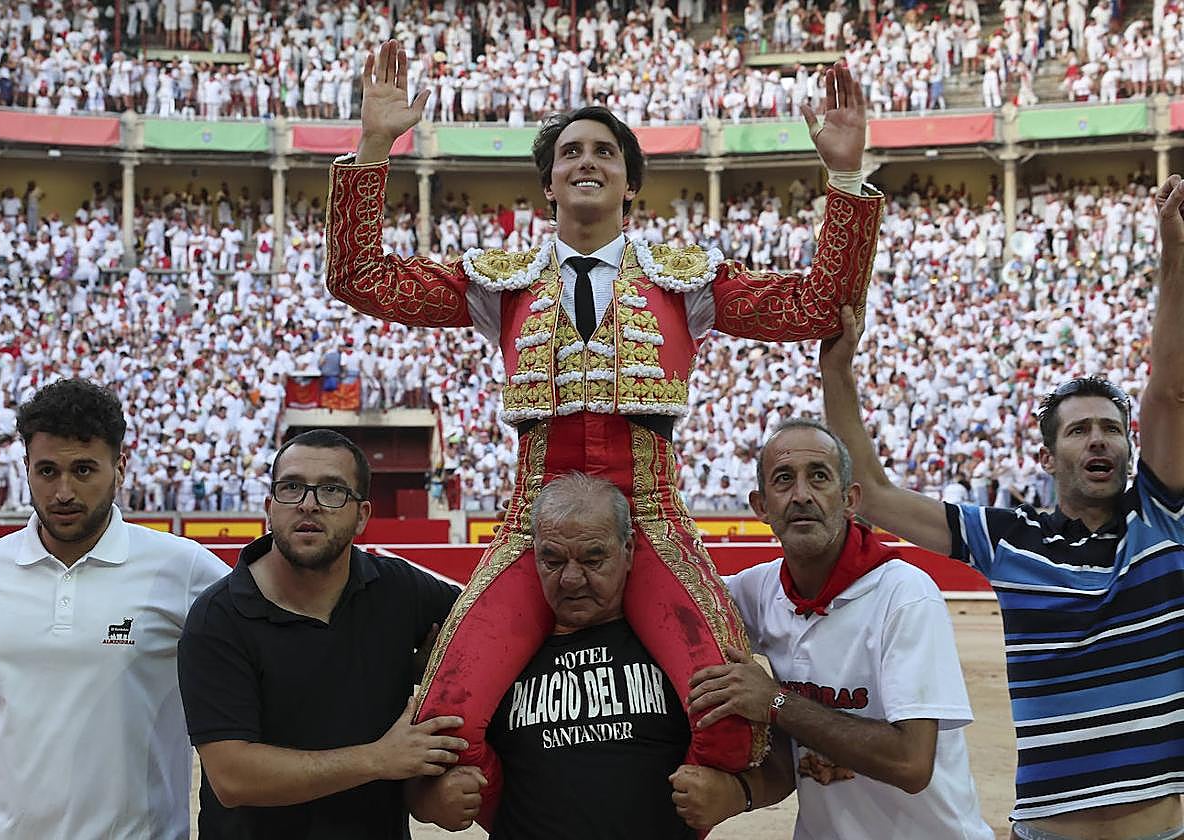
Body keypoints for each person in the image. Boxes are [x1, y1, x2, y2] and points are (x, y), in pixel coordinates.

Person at [325, 40, 885, 824]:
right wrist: (375, 146)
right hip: (534, 526)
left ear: (629, 181)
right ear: (548, 183)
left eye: (604, 150)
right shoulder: (500, 280)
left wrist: (847, 178)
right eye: (568, 152)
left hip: (649, 522)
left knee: (727, 709)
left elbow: (818, 307)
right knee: (448, 711)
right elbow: (359, 279)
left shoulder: (684, 278)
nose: (586, 160)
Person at [817, 174, 1184, 839]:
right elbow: (866, 492)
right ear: (1051, 457)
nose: (1098, 438)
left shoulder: (1161, 519)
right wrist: (837, 374)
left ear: (1132, 448)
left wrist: (1173, 260)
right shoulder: (1007, 538)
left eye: (1110, 428)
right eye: (1078, 430)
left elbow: (1170, 390)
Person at [407, 473, 795, 837]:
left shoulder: (675, 653)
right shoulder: (494, 662)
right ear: (534, 558)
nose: (572, 579)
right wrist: (429, 802)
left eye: (593, 560)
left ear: (628, 553)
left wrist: (737, 793)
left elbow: (784, 766)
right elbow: (416, 779)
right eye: (553, 561)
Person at [679, 419, 994, 839]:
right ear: (761, 506)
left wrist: (774, 702)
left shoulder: (904, 594)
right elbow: (675, 609)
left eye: (820, 477)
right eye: (784, 480)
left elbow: (911, 763)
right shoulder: (756, 591)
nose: (802, 495)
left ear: (850, 499)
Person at [177, 429, 465, 839]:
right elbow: (234, 777)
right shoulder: (218, 618)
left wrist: (439, 672)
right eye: (292, 488)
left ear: (362, 515)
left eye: (332, 491)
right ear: (269, 506)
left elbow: (484, 635)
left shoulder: (401, 589)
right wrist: (379, 759)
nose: (308, 505)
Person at [0, 378, 229, 839]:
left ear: (119, 467)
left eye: (83, 470)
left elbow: (272, 637)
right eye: (47, 471)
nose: (63, 492)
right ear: (26, 468)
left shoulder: (184, 568)